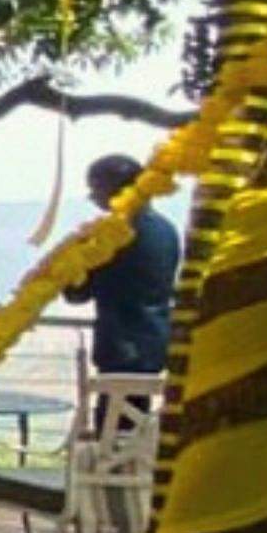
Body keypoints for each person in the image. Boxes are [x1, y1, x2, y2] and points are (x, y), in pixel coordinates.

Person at [73, 153, 181, 375]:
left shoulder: (112, 234)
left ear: (112, 190)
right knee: (137, 409)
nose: (93, 197)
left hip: (120, 348)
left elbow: (78, 293)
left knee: (114, 410)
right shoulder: (166, 229)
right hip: (156, 344)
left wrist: (73, 259)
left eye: (96, 189)